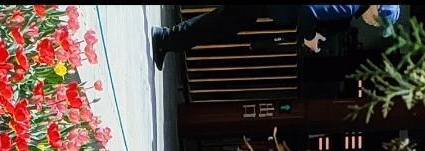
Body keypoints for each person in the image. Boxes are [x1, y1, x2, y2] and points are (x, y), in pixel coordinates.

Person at [153, 5, 400, 69]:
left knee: (222, 23)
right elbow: (308, 10)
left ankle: (168, 40)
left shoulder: (350, 12)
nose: (374, 25)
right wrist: (310, 38)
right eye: (378, 20)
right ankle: (166, 40)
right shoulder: (349, 7)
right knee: (221, 24)